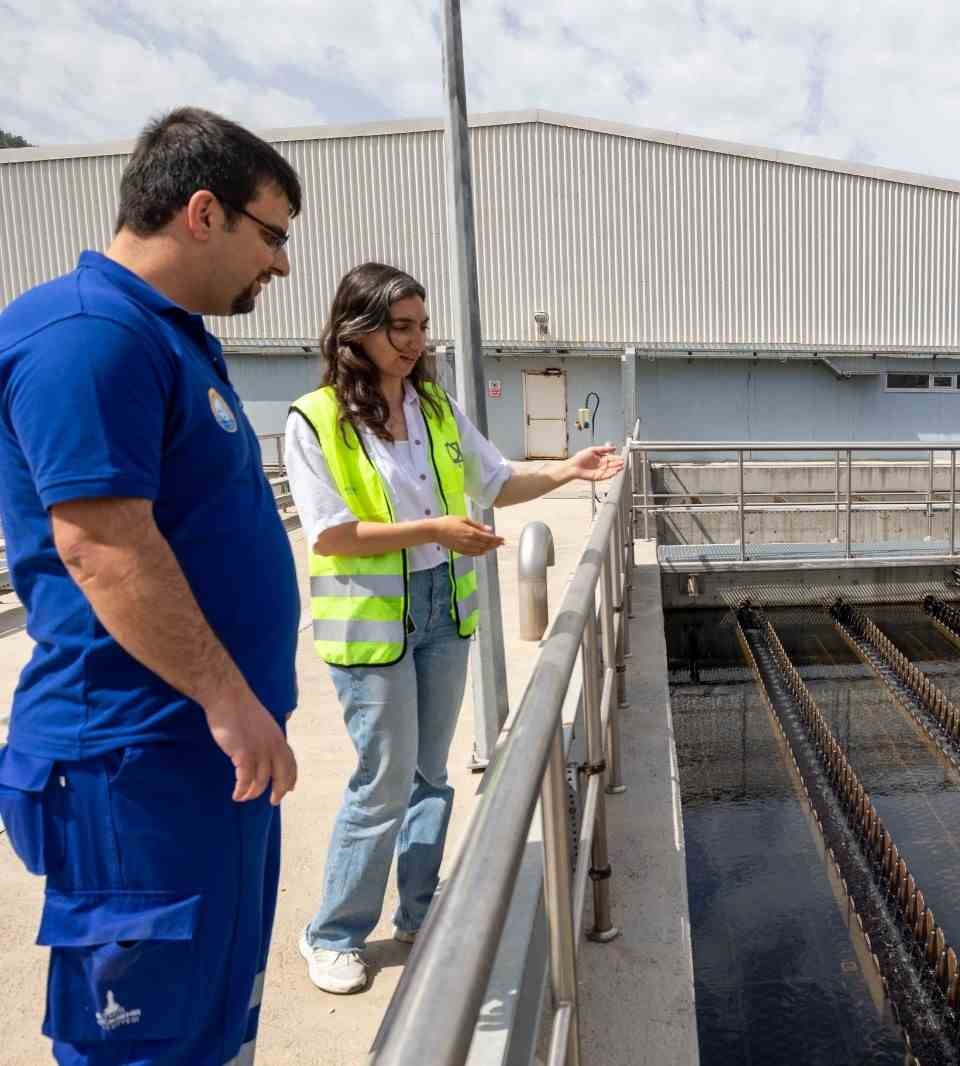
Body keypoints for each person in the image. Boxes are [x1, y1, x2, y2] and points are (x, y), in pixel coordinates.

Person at [0, 108, 302, 1065]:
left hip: (206, 755)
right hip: (137, 762)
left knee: (211, 1020)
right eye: (275, 233)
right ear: (204, 213)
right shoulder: (89, 336)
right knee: (145, 1042)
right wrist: (224, 695)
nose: (282, 264)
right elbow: (103, 546)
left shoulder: (167, 336)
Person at [285, 262, 623, 994]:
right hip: (372, 625)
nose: (414, 341)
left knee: (428, 778)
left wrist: (569, 469)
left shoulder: (433, 406)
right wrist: (434, 527)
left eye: (420, 326)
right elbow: (332, 535)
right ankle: (335, 933)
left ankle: (417, 910)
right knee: (382, 781)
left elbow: (496, 480)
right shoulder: (315, 419)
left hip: (442, 610)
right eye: (398, 327)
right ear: (357, 331)